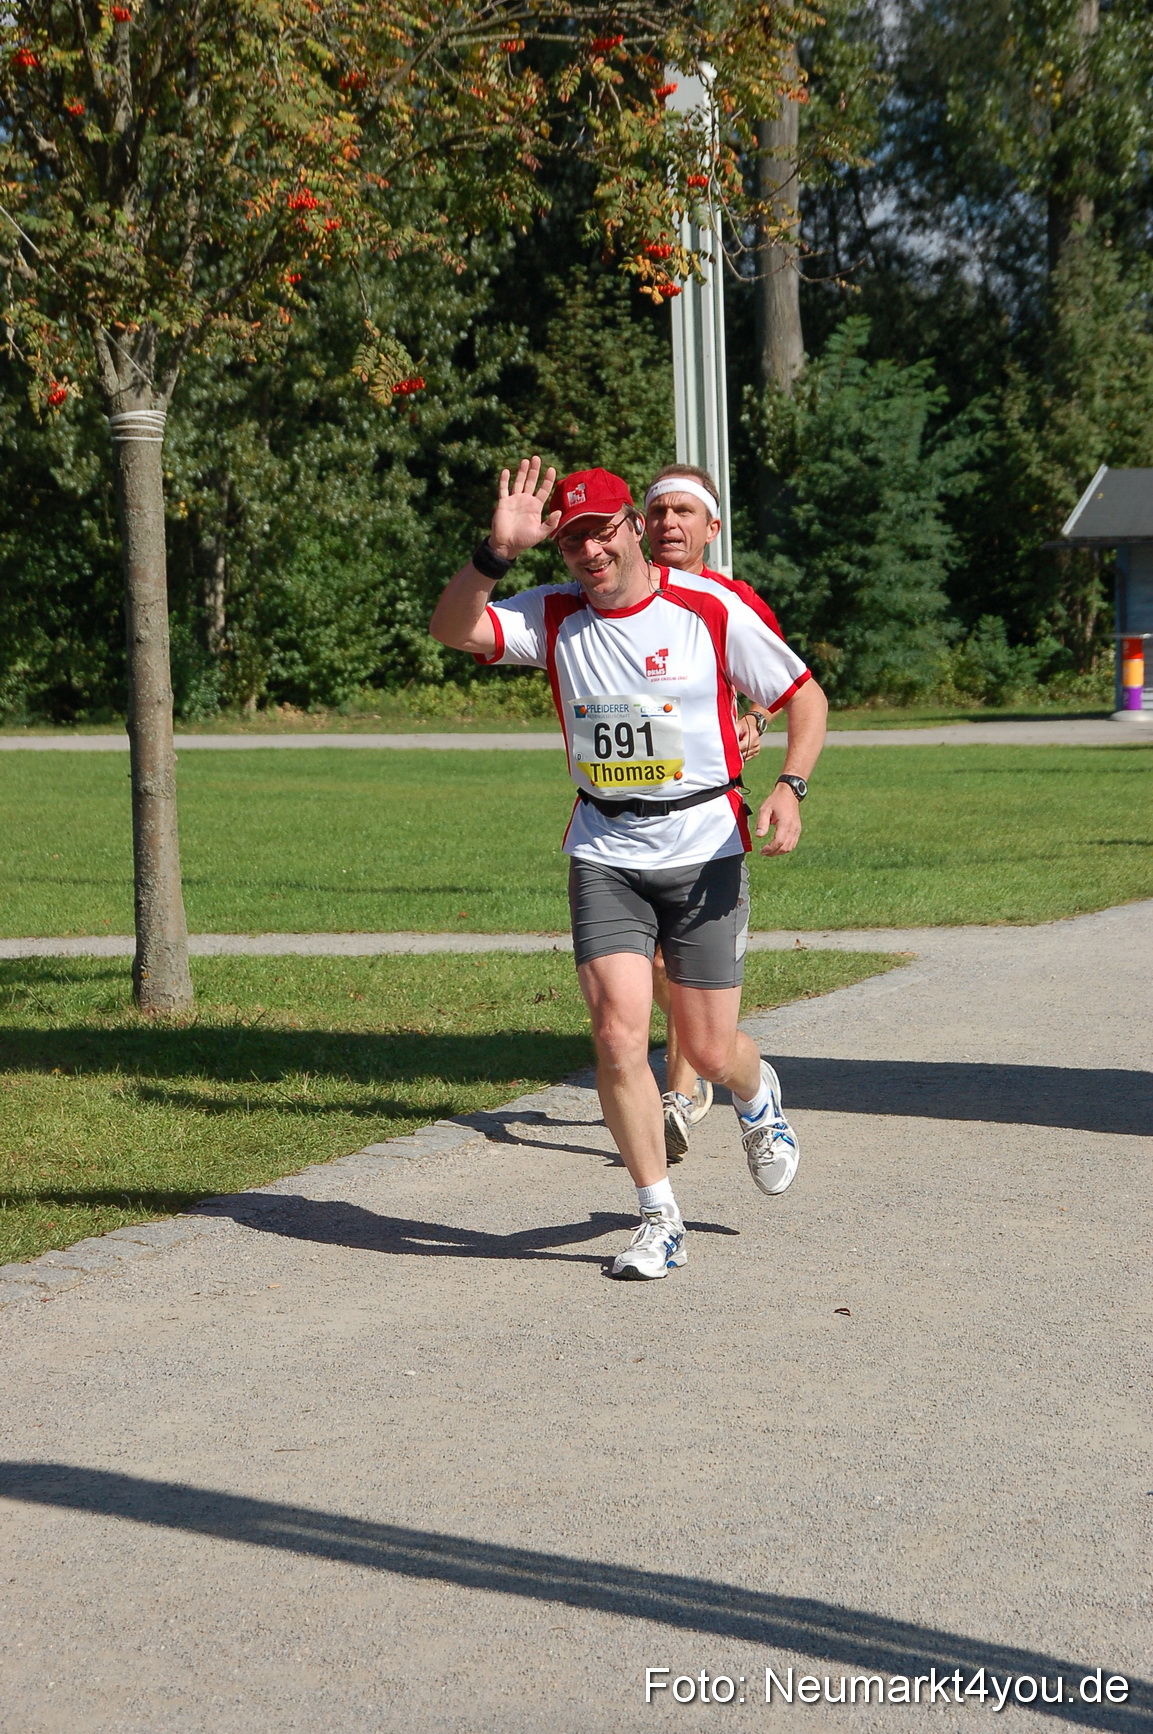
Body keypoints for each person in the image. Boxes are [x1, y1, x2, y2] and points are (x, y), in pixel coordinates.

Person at [430, 458, 827, 1280]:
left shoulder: (707, 607)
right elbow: (453, 629)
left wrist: (789, 787)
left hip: (704, 847)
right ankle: (658, 1218)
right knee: (616, 1035)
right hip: (605, 850)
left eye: (602, 532)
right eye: (572, 540)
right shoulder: (553, 614)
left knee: (708, 1051)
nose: (590, 552)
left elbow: (804, 695)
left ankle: (756, 1094)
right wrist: (494, 555)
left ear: (633, 528)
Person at [643, 462, 777, 1164]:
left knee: (678, 958)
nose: (669, 524)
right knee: (652, 966)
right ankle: (695, 1067)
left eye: (684, 512)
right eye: (658, 511)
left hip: (706, 811)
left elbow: (780, 682)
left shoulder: (732, 598)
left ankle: (680, 1090)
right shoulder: (616, 596)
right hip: (633, 812)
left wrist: (754, 719)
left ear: (711, 528)